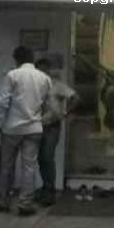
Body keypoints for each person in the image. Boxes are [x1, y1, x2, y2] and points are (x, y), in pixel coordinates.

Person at [0, 46, 51, 216]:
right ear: (32, 58)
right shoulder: (45, 78)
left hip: (12, 128)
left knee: (6, 165)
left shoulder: (12, 75)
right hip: (34, 128)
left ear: (16, 59)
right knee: (29, 167)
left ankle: (2, 201)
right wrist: (39, 120)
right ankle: (25, 203)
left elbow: (3, 102)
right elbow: (47, 105)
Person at [35, 58, 78, 206]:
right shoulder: (33, 86)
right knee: (40, 159)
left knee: (47, 157)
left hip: (51, 126)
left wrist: (65, 113)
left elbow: (75, 97)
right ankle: (45, 187)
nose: (42, 73)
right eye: (39, 70)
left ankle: (50, 191)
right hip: (36, 126)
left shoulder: (56, 85)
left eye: (44, 70)